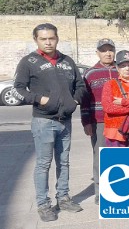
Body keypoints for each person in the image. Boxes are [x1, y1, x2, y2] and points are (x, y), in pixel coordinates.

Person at [14, 23, 86, 222]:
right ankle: (43, 204)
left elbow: (80, 85)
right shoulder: (29, 62)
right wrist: (39, 99)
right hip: (43, 121)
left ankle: (63, 198)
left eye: (51, 38)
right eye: (43, 38)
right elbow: (19, 88)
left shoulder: (67, 61)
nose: (48, 42)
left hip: (65, 121)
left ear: (57, 38)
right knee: (44, 164)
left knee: (64, 161)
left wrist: (76, 99)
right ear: (36, 40)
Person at [80, 38, 118, 205]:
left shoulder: (122, 69)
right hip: (99, 121)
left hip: (122, 120)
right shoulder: (90, 73)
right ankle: (100, 190)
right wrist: (86, 121)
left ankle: (119, 186)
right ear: (97, 53)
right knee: (101, 156)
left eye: (110, 49)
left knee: (122, 155)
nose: (108, 53)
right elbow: (84, 100)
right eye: (104, 50)